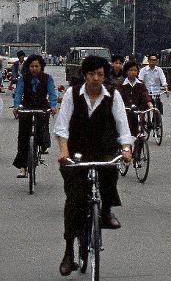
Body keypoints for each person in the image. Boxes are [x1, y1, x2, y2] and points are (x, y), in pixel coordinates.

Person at [54, 55, 134, 276]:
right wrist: (64, 151)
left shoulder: (113, 96)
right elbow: (62, 128)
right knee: (74, 201)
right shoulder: (72, 94)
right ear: (85, 75)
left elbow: (122, 125)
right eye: (91, 74)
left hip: (103, 148)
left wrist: (126, 149)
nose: (96, 78)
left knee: (110, 169)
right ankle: (69, 251)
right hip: (76, 151)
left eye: (100, 74)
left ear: (104, 76)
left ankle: (106, 211)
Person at [13, 54, 57, 177]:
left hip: (42, 107)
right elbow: (18, 93)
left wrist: (53, 106)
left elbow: (52, 93)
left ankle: (42, 146)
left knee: (42, 131)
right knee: (23, 137)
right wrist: (16, 106)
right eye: (32, 66)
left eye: (37, 66)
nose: (34, 68)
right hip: (27, 107)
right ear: (28, 67)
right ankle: (23, 167)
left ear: (41, 66)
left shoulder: (47, 78)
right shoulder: (23, 78)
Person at [116, 60, 154, 136]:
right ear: (126, 71)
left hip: (138, 111)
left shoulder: (140, 84)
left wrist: (150, 104)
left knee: (140, 133)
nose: (133, 72)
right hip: (125, 112)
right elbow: (117, 97)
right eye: (131, 70)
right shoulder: (121, 84)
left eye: (135, 70)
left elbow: (145, 94)